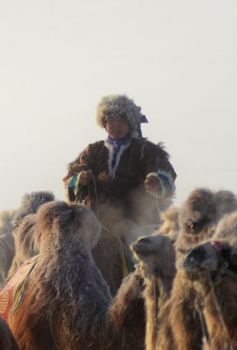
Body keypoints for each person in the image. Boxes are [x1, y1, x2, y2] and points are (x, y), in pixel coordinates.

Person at [64, 95, 175, 285]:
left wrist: (157, 182)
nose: (116, 125)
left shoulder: (145, 150)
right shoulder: (92, 151)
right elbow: (72, 175)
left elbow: (165, 173)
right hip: (96, 221)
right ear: (104, 123)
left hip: (135, 220)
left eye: (121, 120)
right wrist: (79, 179)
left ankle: (145, 287)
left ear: (130, 123)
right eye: (111, 120)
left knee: (142, 258)